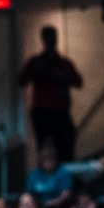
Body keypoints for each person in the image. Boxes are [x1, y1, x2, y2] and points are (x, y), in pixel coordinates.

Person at [17, 27, 83, 162]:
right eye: (48, 38)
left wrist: (62, 77)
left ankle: (65, 172)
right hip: (42, 111)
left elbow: (78, 82)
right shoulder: (36, 61)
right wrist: (36, 70)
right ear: (43, 40)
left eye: (53, 38)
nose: (51, 41)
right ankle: (46, 174)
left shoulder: (63, 63)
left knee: (65, 143)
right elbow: (22, 81)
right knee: (45, 145)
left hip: (60, 110)